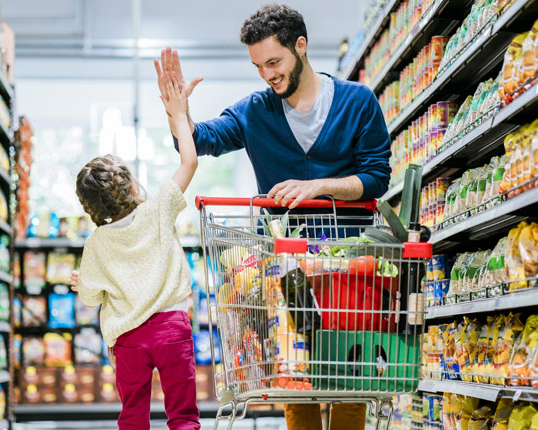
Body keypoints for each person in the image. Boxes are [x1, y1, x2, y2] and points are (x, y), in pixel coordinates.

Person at [154, 4, 392, 429]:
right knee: (293, 372)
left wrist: (320, 186)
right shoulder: (255, 111)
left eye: (274, 62)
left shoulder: (359, 102)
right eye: (258, 66)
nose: (267, 74)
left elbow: (376, 177)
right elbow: (203, 139)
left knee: (349, 374)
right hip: (285, 265)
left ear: (300, 47)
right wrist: (178, 114)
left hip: (350, 262)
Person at [71, 73, 203, 430]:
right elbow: (189, 162)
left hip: (128, 339)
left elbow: (89, 298)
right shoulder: (158, 207)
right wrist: (178, 115)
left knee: (132, 416)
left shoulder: (96, 243)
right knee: (184, 415)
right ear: (130, 186)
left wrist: (81, 282)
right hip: (172, 328)